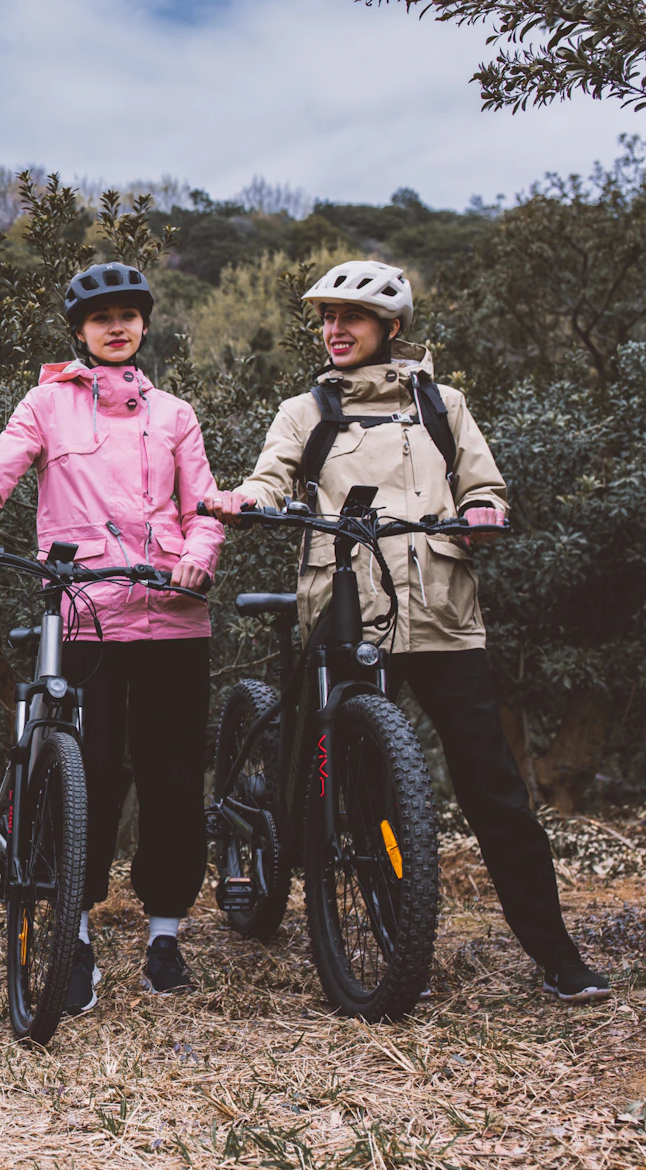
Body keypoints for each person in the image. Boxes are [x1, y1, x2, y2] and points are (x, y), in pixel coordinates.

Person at [202, 259, 610, 1003]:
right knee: (358, 786)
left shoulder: (441, 404)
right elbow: (272, 475)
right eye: (326, 318)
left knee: (495, 791)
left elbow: (483, 484)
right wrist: (248, 498)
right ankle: (390, 947)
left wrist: (485, 511)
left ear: (391, 327)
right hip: (347, 606)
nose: (333, 330)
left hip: (445, 614)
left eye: (349, 318)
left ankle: (557, 956)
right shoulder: (306, 410)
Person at [0, 261, 225, 1007]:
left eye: (128, 314)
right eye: (101, 318)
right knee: (85, 781)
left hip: (173, 619)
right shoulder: (47, 405)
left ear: (145, 325)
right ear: (81, 332)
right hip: (86, 614)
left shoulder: (176, 414)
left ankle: (165, 934)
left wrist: (197, 556)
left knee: (173, 778)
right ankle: (76, 935)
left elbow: (209, 506)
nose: (116, 326)